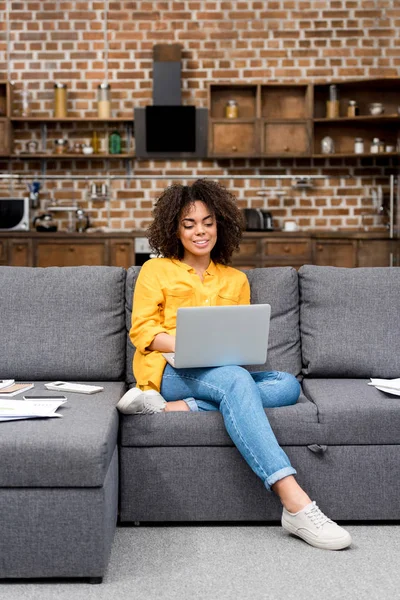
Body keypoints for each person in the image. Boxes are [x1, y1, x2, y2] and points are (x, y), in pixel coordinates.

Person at [118, 178, 352, 551]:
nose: (200, 231)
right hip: (169, 368)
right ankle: (294, 501)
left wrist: (223, 354)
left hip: (219, 371)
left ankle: (172, 410)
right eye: (189, 223)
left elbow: (237, 337)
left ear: (219, 225)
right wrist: (188, 346)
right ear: (174, 229)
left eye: (208, 222)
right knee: (236, 382)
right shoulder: (155, 271)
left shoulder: (236, 279)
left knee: (286, 385)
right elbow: (143, 331)